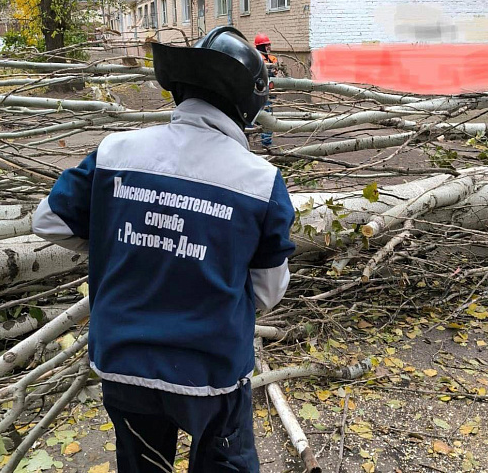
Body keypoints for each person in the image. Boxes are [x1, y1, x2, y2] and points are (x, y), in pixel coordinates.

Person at [32, 26, 295, 473]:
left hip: (122, 364)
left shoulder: (115, 152)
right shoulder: (260, 182)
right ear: (248, 102)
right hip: (211, 374)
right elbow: (267, 293)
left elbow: (48, 220)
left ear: (181, 87)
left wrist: (122, 243)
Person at [254, 33, 279, 147]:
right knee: (265, 115)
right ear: (260, 47)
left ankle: (265, 139)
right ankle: (266, 142)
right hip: (260, 92)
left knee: (266, 114)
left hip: (270, 91)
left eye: (269, 44)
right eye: (266, 45)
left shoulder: (272, 58)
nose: (268, 47)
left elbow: (276, 72)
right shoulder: (256, 58)